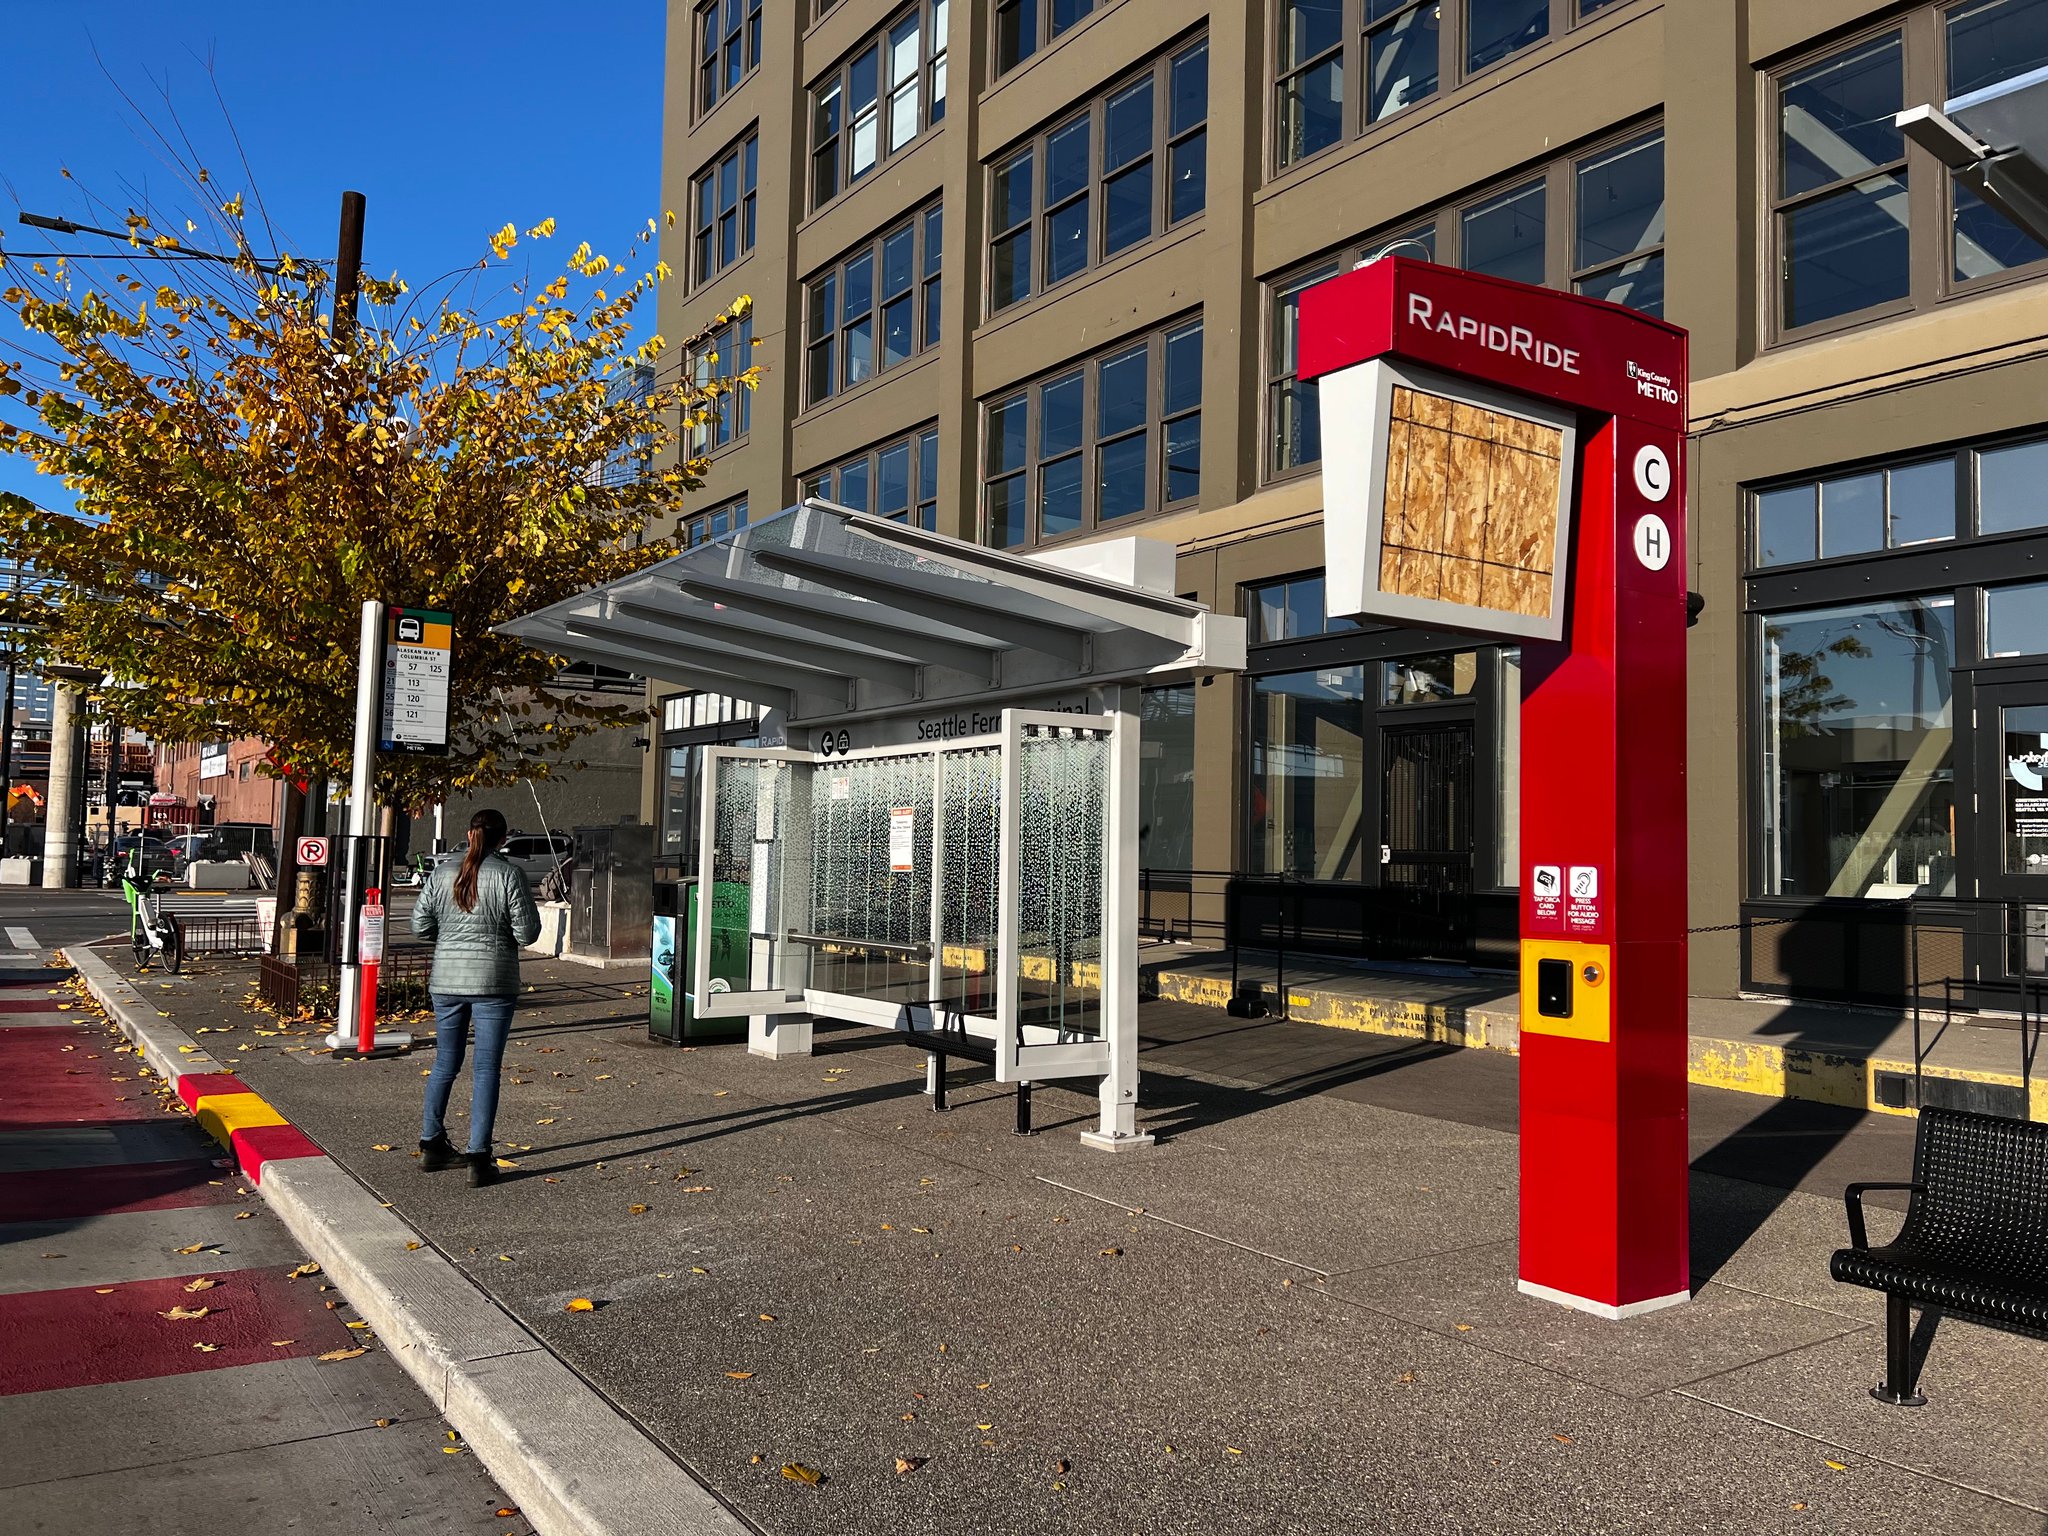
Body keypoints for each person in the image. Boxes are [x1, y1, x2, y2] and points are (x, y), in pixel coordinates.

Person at [413, 807, 541, 1186]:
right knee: (486, 1069)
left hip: (446, 981)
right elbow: (527, 933)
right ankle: (478, 1157)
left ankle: (431, 1143)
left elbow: (420, 925)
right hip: (493, 982)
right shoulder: (509, 875)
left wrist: (449, 941)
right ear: (503, 839)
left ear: (470, 835)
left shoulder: (441, 873)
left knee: (444, 1063)